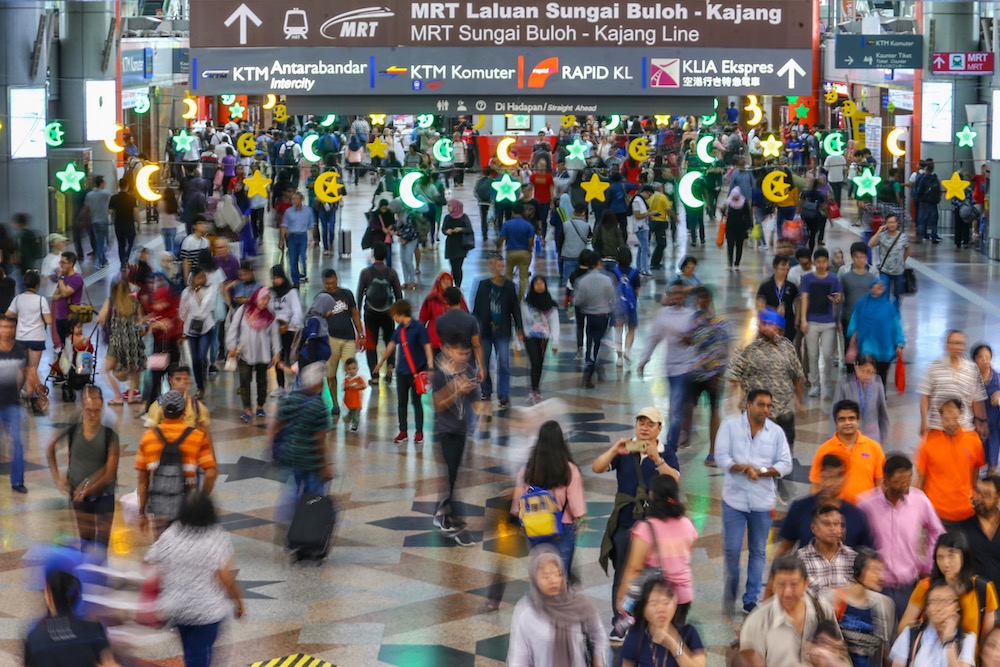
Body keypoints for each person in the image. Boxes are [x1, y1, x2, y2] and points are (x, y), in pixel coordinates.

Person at [594, 407, 680, 636]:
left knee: (651, 575)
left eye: (650, 424)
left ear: (659, 429)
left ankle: (645, 622)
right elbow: (597, 467)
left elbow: (675, 482)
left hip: (654, 528)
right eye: (640, 422)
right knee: (622, 574)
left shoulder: (666, 453)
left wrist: (657, 459)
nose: (644, 427)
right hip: (625, 524)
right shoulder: (625, 451)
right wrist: (614, 450)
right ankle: (619, 623)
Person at [717, 389, 794, 615]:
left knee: (758, 551)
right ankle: (731, 590)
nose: (766, 410)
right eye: (761, 405)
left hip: (762, 502)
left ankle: (750, 599)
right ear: (748, 405)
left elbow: (786, 464)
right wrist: (743, 468)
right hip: (734, 500)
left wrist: (761, 471)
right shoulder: (730, 426)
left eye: (769, 406)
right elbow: (721, 457)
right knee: (731, 550)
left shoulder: (776, 432)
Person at [145, 493, 244, 667]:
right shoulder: (216, 537)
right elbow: (225, 577)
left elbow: (150, 561)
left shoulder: (172, 533)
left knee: (192, 651)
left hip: (177, 608)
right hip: (207, 611)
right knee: (199, 654)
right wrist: (238, 602)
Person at [858, 454, 946, 620]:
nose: (906, 485)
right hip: (877, 587)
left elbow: (937, 532)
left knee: (903, 635)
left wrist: (928, 564)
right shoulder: (866, 504)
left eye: (909, 478)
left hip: (908, 585)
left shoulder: (920, 501)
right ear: (886, 480)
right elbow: (855, 542)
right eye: (899, 480)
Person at [507, 544, 608, 667]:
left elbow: (598, 636)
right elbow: (519, 658)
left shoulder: (579, 604)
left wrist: (599, 661)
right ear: (534, 578)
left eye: (557, 573)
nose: (553, 580)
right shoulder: (527, 612)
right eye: (546, 576)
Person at [44, 385, 119, 547]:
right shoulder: (73, 430)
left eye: (97, 410)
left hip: (103, 494)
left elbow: (109, 472)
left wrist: (87, 489)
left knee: (102, 542)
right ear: (82, 407)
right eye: (89, 410)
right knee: (85, 540)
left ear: (102, 406)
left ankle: (99, 571)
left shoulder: (109, 435)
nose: (93, 414)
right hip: (78, 494)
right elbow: (50, 449)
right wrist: (57, 478)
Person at [616, 475, 698, 625]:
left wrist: (622, 596)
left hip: (656, 598)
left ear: (652, 496)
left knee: (653, 641)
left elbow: (634, 569)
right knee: (674, 638)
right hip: (683, 596)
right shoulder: (687, 524)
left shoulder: (645, 529)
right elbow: (686, 555)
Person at [136, 391, 218, 534]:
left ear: (162, 410)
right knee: (186, 550)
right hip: (187, 508)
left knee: (162, 548)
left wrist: (142, 512)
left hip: (159, 507)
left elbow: (143, 480)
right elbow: (211, 473)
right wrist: (201, 499)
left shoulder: (148, 437)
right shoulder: (197, 436)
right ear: (184, 410)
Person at [727, 308, 805, 457]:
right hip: (758, 413)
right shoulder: (747, 348)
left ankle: (778, 474)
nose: (772, 329)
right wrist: (735, 399)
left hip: (784, 411)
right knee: (758, 454)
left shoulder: (787, 346)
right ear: (760, 326)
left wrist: (798, 401)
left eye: (775, 326)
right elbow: (734, 376)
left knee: (785, 449)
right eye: (768, 324)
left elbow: (797, 376)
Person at [897, 531, 998, 647]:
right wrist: (927, 625)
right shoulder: (925, 587)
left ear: (964, 555)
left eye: (951, 555)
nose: (945, 563)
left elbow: (986, 639)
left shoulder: (984, 588)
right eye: (940, 557)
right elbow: (902, 627)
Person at [740, 555, 841, 667]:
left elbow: (837, 648)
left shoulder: (822, 609)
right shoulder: (757, 621)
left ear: (805, 584)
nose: (788, 593)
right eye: (781, 585)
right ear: (773, 585)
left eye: (794, 584)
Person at [512, 421, 586, 573]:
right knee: (559, 577)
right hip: (563, 527)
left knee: (540, 575)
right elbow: (577, 508)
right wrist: (580, 521)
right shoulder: (570, 470)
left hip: (535, 527)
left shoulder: (528, 469)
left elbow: (517, 506)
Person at [431, 335, 480, 547]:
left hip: (460, 431)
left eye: (467, 354)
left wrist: (482, 413)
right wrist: (456, 390)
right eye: (461, 353)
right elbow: (438, 404)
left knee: (454, 476)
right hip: (445, 431)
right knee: (451, 475)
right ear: (449, 350)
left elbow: (475, 398)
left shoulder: (468, 369)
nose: (464, 357)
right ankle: (455, 521)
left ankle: (441, 511)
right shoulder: (440, 374)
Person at [777, 454, 875, 556]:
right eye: (827, 477)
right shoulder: (800, 507)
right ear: (820, 476)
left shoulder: (856, 516)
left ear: (845, 478)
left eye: (835, 477)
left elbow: (867, 555)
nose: (830, 483)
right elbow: (785, 546)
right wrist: (776, 570)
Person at [23, 571, 119, 667]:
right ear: (78, 596)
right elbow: (109, 663)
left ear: (49, 596)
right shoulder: (93, 629)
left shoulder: (34, 638)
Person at [916, 399, 986, 525]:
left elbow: (976, 471)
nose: (951, 423)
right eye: (947, 419)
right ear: (940, 418)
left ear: (961, 415)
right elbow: (921, 479)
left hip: (966, 511)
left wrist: (974, 492)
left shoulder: (974, 441)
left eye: (955, 418)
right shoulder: (928, 443)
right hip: (936, 512)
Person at [372, 299, 433, 444]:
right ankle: (403, 431)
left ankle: (419, 432)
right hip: (401, 371)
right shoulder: (399, 330)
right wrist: (381, 363)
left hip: (416, 371)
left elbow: (427, 346)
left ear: (401, 313)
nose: (393, 317)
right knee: (402, 402)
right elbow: (391, 346)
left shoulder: (419, 328)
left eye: (395, 314)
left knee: (416, 403)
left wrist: (430, 364)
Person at [825, 548, 896, 667]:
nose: (881, 577)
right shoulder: (831, 599)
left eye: (882, 571)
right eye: (875, 571)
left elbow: (886, 650)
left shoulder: (885, 605)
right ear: (858, 571)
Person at [272, 362, 333, 498]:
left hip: (291, 457)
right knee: (313, 496)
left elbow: (277, 425)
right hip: (311, 461)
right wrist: (324, 465)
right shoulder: (319, 406)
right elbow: (319, 439)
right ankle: (307, 516)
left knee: (292, 491)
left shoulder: (291, 398)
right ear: (319, 383)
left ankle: (292, 516)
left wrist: (273, 448)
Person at [471, 252, 523, 409]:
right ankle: (486, 390)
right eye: (496, 265)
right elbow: (477, 309)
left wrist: (520, 328)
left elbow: (515, 308)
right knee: (484, 361)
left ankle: (503, 394)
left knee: (504, 363)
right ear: (490, 266)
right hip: (485, 330)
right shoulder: (483, 285)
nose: (499, 268)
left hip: (503, 330)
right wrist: (473, 329)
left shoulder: (509, 286)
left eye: (501, 265)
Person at [810, 400, 885, 504]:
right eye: (842, 419)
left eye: (851, 418)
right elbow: (816, 485)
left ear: (858, 421)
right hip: (834, 512)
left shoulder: (874, 447)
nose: (847, 423)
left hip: (866, 511)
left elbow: (880, 484)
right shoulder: (824, 450)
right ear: (836, 422)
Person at [919, 330, 990, 439]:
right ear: (946, 345)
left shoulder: (972, 369)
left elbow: (976, 400)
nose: (957, 347)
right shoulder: (934, 367)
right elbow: (925, 396)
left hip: (964, 428)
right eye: (953, 343)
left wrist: (981, 422)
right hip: (938, 427)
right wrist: (924, 421)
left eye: (960, 343)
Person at [225, 286, 281, 423]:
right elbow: (233, 329)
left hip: (262, 353)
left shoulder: (269, 315)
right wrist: (231, 346)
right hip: (244, 352)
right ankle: (247, 409)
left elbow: (274, 335)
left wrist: (276, 352)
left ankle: (260, 405)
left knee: (262, 381)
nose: (265, 302)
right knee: (245, 381)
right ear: (256, 297)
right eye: (263, 299)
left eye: (267, 299)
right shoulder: (243, 311)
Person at [620, 579, 707, 667]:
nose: (661, 609)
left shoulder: (688, 632)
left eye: (666, 603)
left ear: (674, 604)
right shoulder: (636, 637)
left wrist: (674, 645)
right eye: (654, 604)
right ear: (644, 609)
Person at [890, 579, 975, 667]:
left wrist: (948, 640)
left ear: (957, 606)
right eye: (933, 601)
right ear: (926, 608)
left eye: (945, 602)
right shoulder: (910, 634)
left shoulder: (966, 639)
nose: (939, 608)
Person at [687, 286, 729, 465]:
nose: (701, 302)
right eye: (699, 299)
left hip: (714, 374)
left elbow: (724, 348)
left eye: (704, 298)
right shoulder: (694, 319)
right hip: (696, 373)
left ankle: (712, 452)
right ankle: (688, 432)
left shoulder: (720, 322)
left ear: (709, 300)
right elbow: (690, 341)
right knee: (688, 406)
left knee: (714, 411)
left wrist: (719, 373)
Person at [847, 278, 905, 390]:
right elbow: (855, 318)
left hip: (884, 345)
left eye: (879, 288)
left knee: (882, 373)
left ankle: (880, 394)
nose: (876, 290)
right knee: (867, 368)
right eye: (874, 287)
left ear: (884, 289)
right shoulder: (862, 303)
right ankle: (867, 393)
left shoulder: (889, 307)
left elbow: (896, 325)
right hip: (867, 343)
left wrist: (899, 342)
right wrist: (853, 332)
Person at [800, 248, 843, 398]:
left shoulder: (833, 279)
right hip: (812, 321)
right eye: (818, 262)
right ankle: (815, 385)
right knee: (812, 355)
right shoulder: (807, 278)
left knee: (827, 355)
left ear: (827, 262)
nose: (821, 264)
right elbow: (804, 298)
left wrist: (837, 299)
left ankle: (827, 384)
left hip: (829, 322)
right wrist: (803, 320)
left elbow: (839, 297)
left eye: (824, 261)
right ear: (814, 262)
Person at [357, 243, 403, 384]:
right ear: (385, 256)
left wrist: (357, 313)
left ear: (373, 255)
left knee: (371, 344)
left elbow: (359, 294)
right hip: (388, 313)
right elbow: (398, 295)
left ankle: (375, 376)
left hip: (370, 313)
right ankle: (389, 369)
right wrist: (398, 314)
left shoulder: (366, 273)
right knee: (390, 341)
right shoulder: (391, 273)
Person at [6, 270, 51, 409]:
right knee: (32, 369)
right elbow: (48, 320)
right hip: (37, 338)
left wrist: (20, 317)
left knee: (22, 370)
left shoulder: (18, 298)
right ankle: (30, 398)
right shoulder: (41, 300)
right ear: (37, 285)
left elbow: (8, 314)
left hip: (21, 338)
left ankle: (17, 395)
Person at [97, 277, 146, 405]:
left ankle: (118, 396)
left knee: (106, 370)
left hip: (117, 341)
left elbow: (100, 318)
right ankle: (131, 396)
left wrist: (107, 326)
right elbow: (141, 325)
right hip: (133, 342)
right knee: (134, 369)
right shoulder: (135, 302)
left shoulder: (111, 301)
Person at [574, 250, 616, 389]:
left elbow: (578, 301)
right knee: (599, 344)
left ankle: (590, 363)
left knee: (590, 342)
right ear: (598, 263)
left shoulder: (582, 281)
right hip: (603, 316)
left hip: (589, 316)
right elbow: (612, 299)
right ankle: (592, 370)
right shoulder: (607, 280)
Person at [797, 505, 858, 598]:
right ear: (814, 528)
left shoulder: (853, 557)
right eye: (826, 524)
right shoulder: (799, 559)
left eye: (837, 524)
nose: (833, 529)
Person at [831, 356, 891, 444]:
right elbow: (835, 411)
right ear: (856, 367)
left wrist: (884, 436)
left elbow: (883, 413)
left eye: (871, 372)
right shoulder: (845, 384)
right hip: (850, 434)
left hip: (872, 435)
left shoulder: (877, 383)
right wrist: (832, 436)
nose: (866, 376)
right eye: (863, 371)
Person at [178, 267, 218, 399]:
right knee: (195, 360)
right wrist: (184, 325)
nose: (201, 280)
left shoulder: (209, 289)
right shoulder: (186, 292)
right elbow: (182, 311)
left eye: (203, 277)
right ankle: (200, 387)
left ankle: (204, 365)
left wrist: (197, 293)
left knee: (201, 356)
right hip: (191, 329)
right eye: (198, 277)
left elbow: (205, 308)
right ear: (193, 278)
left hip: (206, 327)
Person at [521, 275, 560, 403]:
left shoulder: (551, 304)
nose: (539, 286)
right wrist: (519, 337)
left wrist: (555, 342)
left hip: (544, 337)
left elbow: (555, 323)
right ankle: (533, 388)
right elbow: (521, 320)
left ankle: (536, 388)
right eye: (536, 283)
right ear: (532, 286)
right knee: (535, 361)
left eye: (541, 283)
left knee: (540, 363)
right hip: (530, 336)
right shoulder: (526, 303)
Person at [0, 315, 27, 493]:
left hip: (12, 403)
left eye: (10, 327)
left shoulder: (20, 350)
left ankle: (17, 482)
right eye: (3, 327)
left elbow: (24, 373)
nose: (6, 330)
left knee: (17, 442)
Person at [959, 476, 1000, 591]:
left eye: (986, 495)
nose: (978, 498)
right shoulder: (962, 529)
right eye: (977, 492)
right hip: (974, 600)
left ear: (998, 497)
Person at [269, 265, 303, 394]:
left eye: (277, 278)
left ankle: (297, 384)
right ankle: (281, 386)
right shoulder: (271, 292)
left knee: (293, 358)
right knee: (279, 357)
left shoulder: (291, 292)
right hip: (276, 329)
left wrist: (290, 324)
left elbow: (296, 310)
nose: (275, 281)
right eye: (273, 278)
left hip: (290, 330)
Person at [145, 364, 209, 431]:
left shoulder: (197, 407)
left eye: (185, 379)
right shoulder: (156, 406)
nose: (182, 383)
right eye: (178, 379)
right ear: (170, 380)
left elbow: (204, 432)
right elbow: (151, 432)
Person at [756, 255, 799, 342]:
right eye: (782, 268)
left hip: (788, 324)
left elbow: (798, 302)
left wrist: (797, 320)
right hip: (770, 325)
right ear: (775, 268)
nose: (785, 272)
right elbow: (759, 305)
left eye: (787, 269)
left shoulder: (791, 286)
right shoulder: (766, 285)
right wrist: (774, 310)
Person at [419, 272, 463, 357]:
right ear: (439, 282)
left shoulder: (457, 297)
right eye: (444, 280)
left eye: (448, 280)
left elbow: (464, 314)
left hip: (453, 340)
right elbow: (422, 319)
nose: (446, 282)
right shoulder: (431, 298)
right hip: (435, 340)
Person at [869, 214, 910, 305]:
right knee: (884, 293)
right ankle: (885, 311)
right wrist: (879, 231)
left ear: (897, 223)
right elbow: (870, 244)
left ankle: (895, 312)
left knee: (898, 294)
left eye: (893, 222)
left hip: (898, 271)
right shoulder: (882, 236)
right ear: (886, 224)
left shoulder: (902, 237)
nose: (891, 225)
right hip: (885, 270)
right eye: (889, 223)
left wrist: (903, 261)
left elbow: (907, 249)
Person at [974, 344, 1000, 475]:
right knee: (976, 461)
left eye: (987, 357)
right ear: (975, 360)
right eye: (981, 357)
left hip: (995, 427)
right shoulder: (971, 380)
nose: (985, 360)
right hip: (977, 427)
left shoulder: (998, 378)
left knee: (993, 461)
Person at [279, 192, 315, 286]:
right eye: (293, 199)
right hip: (292, 236)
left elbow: (311, 225)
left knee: (302, 256)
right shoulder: (288, 212)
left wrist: (311, 238)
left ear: (301, 199)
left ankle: (303, 273)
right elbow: (284, 225)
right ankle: (295, 280)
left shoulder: (308, 211)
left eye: (296, 199)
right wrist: (281, 240)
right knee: (292, 258)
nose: (294, 201)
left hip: (303, 235)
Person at [51, 252, 83, 347]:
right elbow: (54, 296)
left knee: (72, 345)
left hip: (70, 317)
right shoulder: (64, 277)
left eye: (63, 262)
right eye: (60, 262)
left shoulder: (76, 278)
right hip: (59, 316)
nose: (61, 265)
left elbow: (65, 292)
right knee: (64, 345)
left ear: (71, 264)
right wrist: (62, 294)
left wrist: (60, 278)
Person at [442, 199, 473, 288]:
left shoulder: (464, 217)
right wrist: (447, 231)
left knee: (458, 266)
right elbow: (443, 229)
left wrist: (461, 229)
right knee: (453, 265)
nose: (448, 208)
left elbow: (469, 229)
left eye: (450, 206)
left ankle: (458, 285)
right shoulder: (447, 217)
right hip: (451, 245)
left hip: (461, 244)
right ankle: (454, 283)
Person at [83, 176, 112, 268]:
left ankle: (103, 259)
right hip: (103, 220)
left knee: (99, 241)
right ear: (101, 183)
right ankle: (101, 260)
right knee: (101, 242)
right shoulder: (105, 194)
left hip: (93, 221)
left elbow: (86, 208)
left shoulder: (89, 195)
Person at [109, 178, 139, 266]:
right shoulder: (132, 198)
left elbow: (110, 212)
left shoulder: (113, 198)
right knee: (131, 243)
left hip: (118, 224)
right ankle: (127, 256)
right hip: (129, 224)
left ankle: (122, 261)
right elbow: (136, 212)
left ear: (119, 186)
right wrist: (139, 224)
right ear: (127, 186)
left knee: (121, 243)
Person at [341, 358, 367, 433]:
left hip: (357, 401)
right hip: (349, 401)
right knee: (351, 412)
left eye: (353, 368)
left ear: (357, 368)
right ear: (346, 370)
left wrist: (357, 387)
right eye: (349, 369)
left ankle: (355, 424)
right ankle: (348, 418)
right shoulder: (346, 379)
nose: (352, 371)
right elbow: (343, 387)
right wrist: (348, 385)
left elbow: (364, 386)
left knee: (356, 414)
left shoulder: (358, 379)